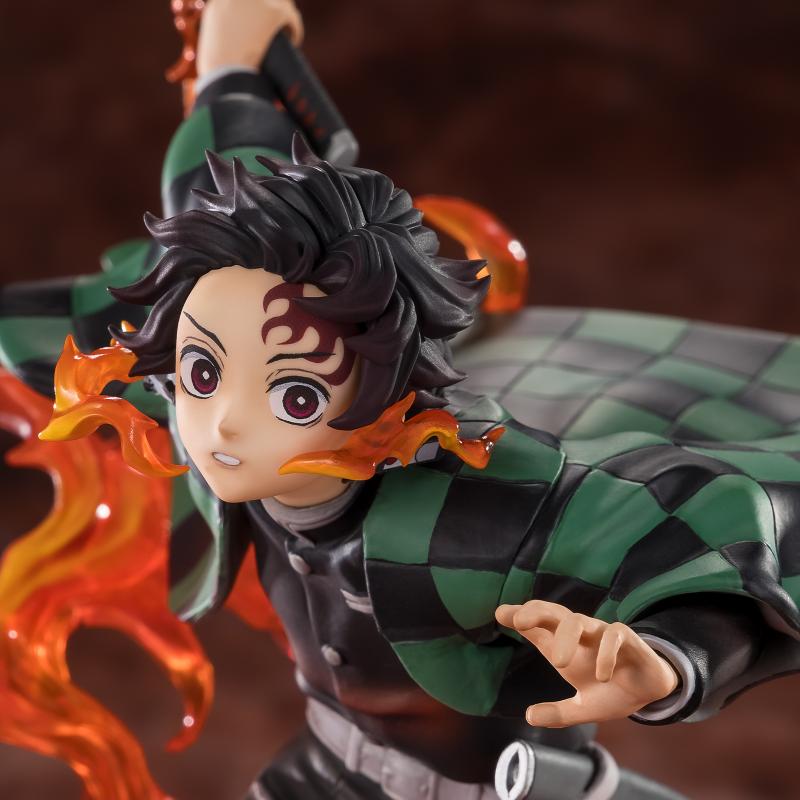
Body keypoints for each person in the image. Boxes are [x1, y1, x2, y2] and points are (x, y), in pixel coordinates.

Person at [3, 1, 800, 798]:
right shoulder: (191, 385)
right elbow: (220, 181)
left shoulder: (479, 505)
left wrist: (668, 663)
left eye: (297, 394)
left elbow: (707, 534)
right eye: (203, 375)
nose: (224, 425)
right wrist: (232, 65)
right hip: (325, 775)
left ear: (386, 389)